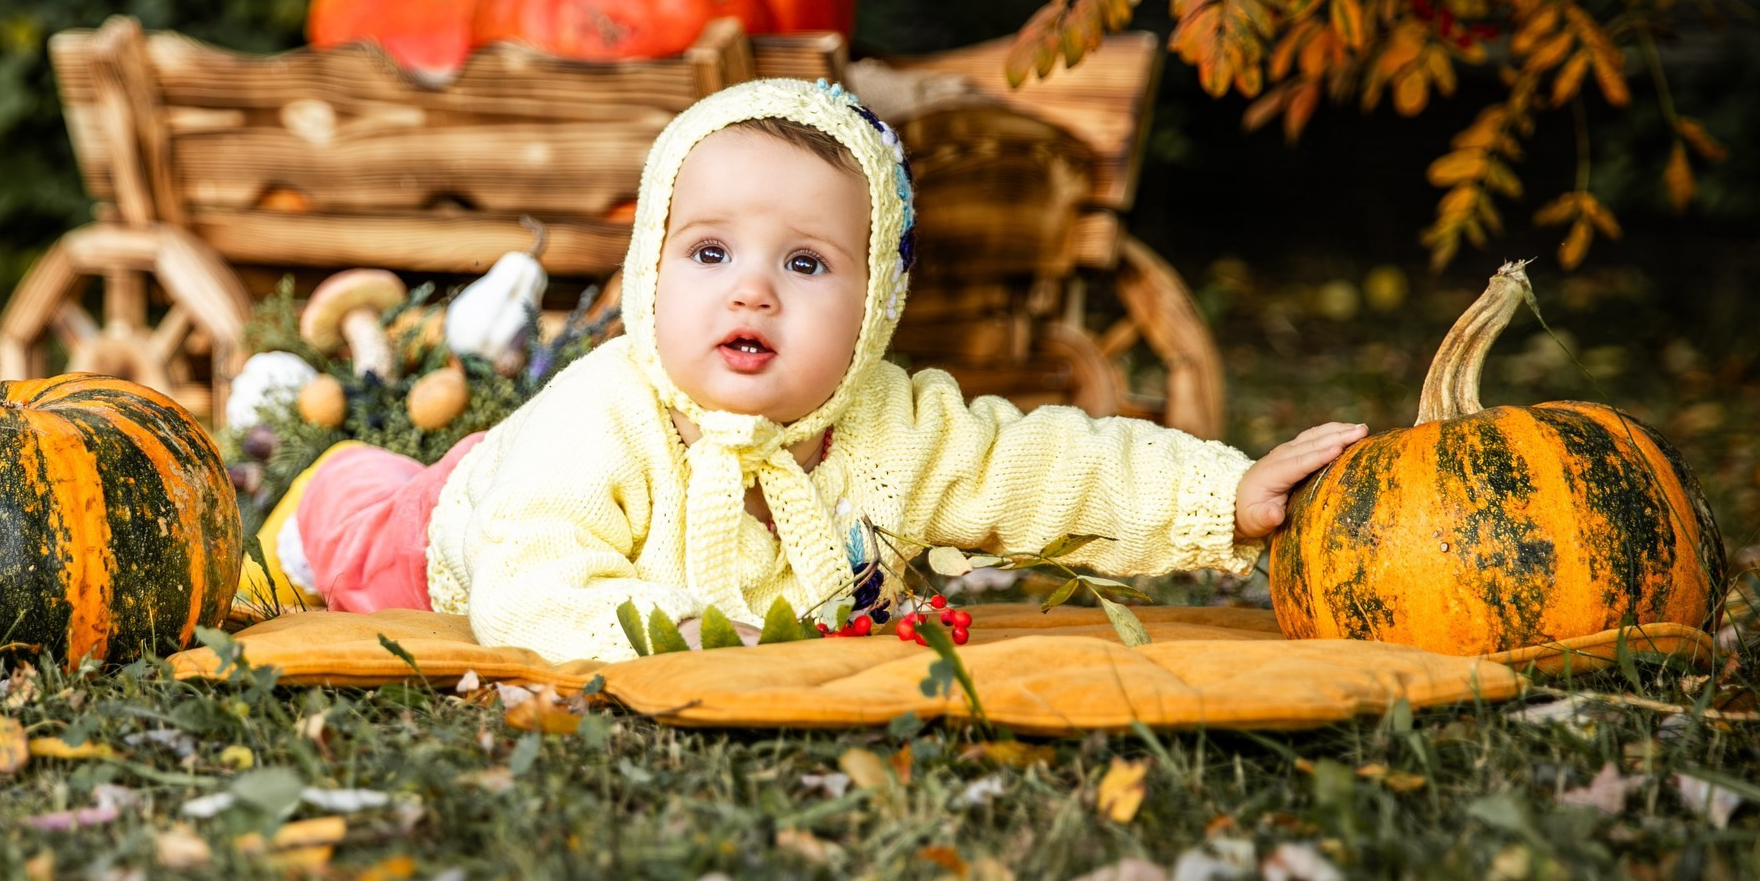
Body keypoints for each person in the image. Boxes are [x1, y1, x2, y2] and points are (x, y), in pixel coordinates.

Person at [263, 77, 1366, 663]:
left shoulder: (893, 426)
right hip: (459, 517)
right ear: (649, 270)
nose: (753, 291)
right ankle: (312, 500)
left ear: (876, 302)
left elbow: (1045, 468)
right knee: (359, 534)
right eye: (708, 252)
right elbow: (532, 583)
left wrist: (1219, 494)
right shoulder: (598, 414)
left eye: (804, 261)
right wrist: (674, 637)